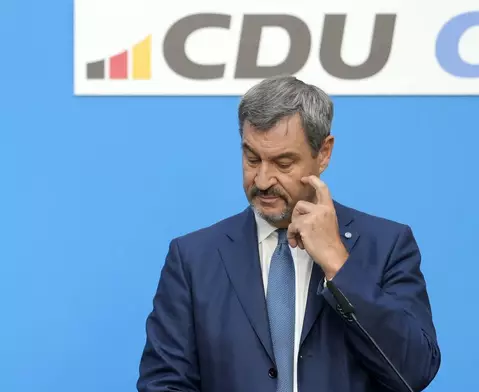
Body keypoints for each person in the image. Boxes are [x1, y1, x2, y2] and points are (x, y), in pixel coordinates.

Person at [136, 75, 441, 392]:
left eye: (283, 162)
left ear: (323, 153)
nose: (264, 179)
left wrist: (338, 264)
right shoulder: (193, 258)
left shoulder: (387, 246)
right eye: (252, 158)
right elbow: (164, 382)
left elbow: (413, 372)